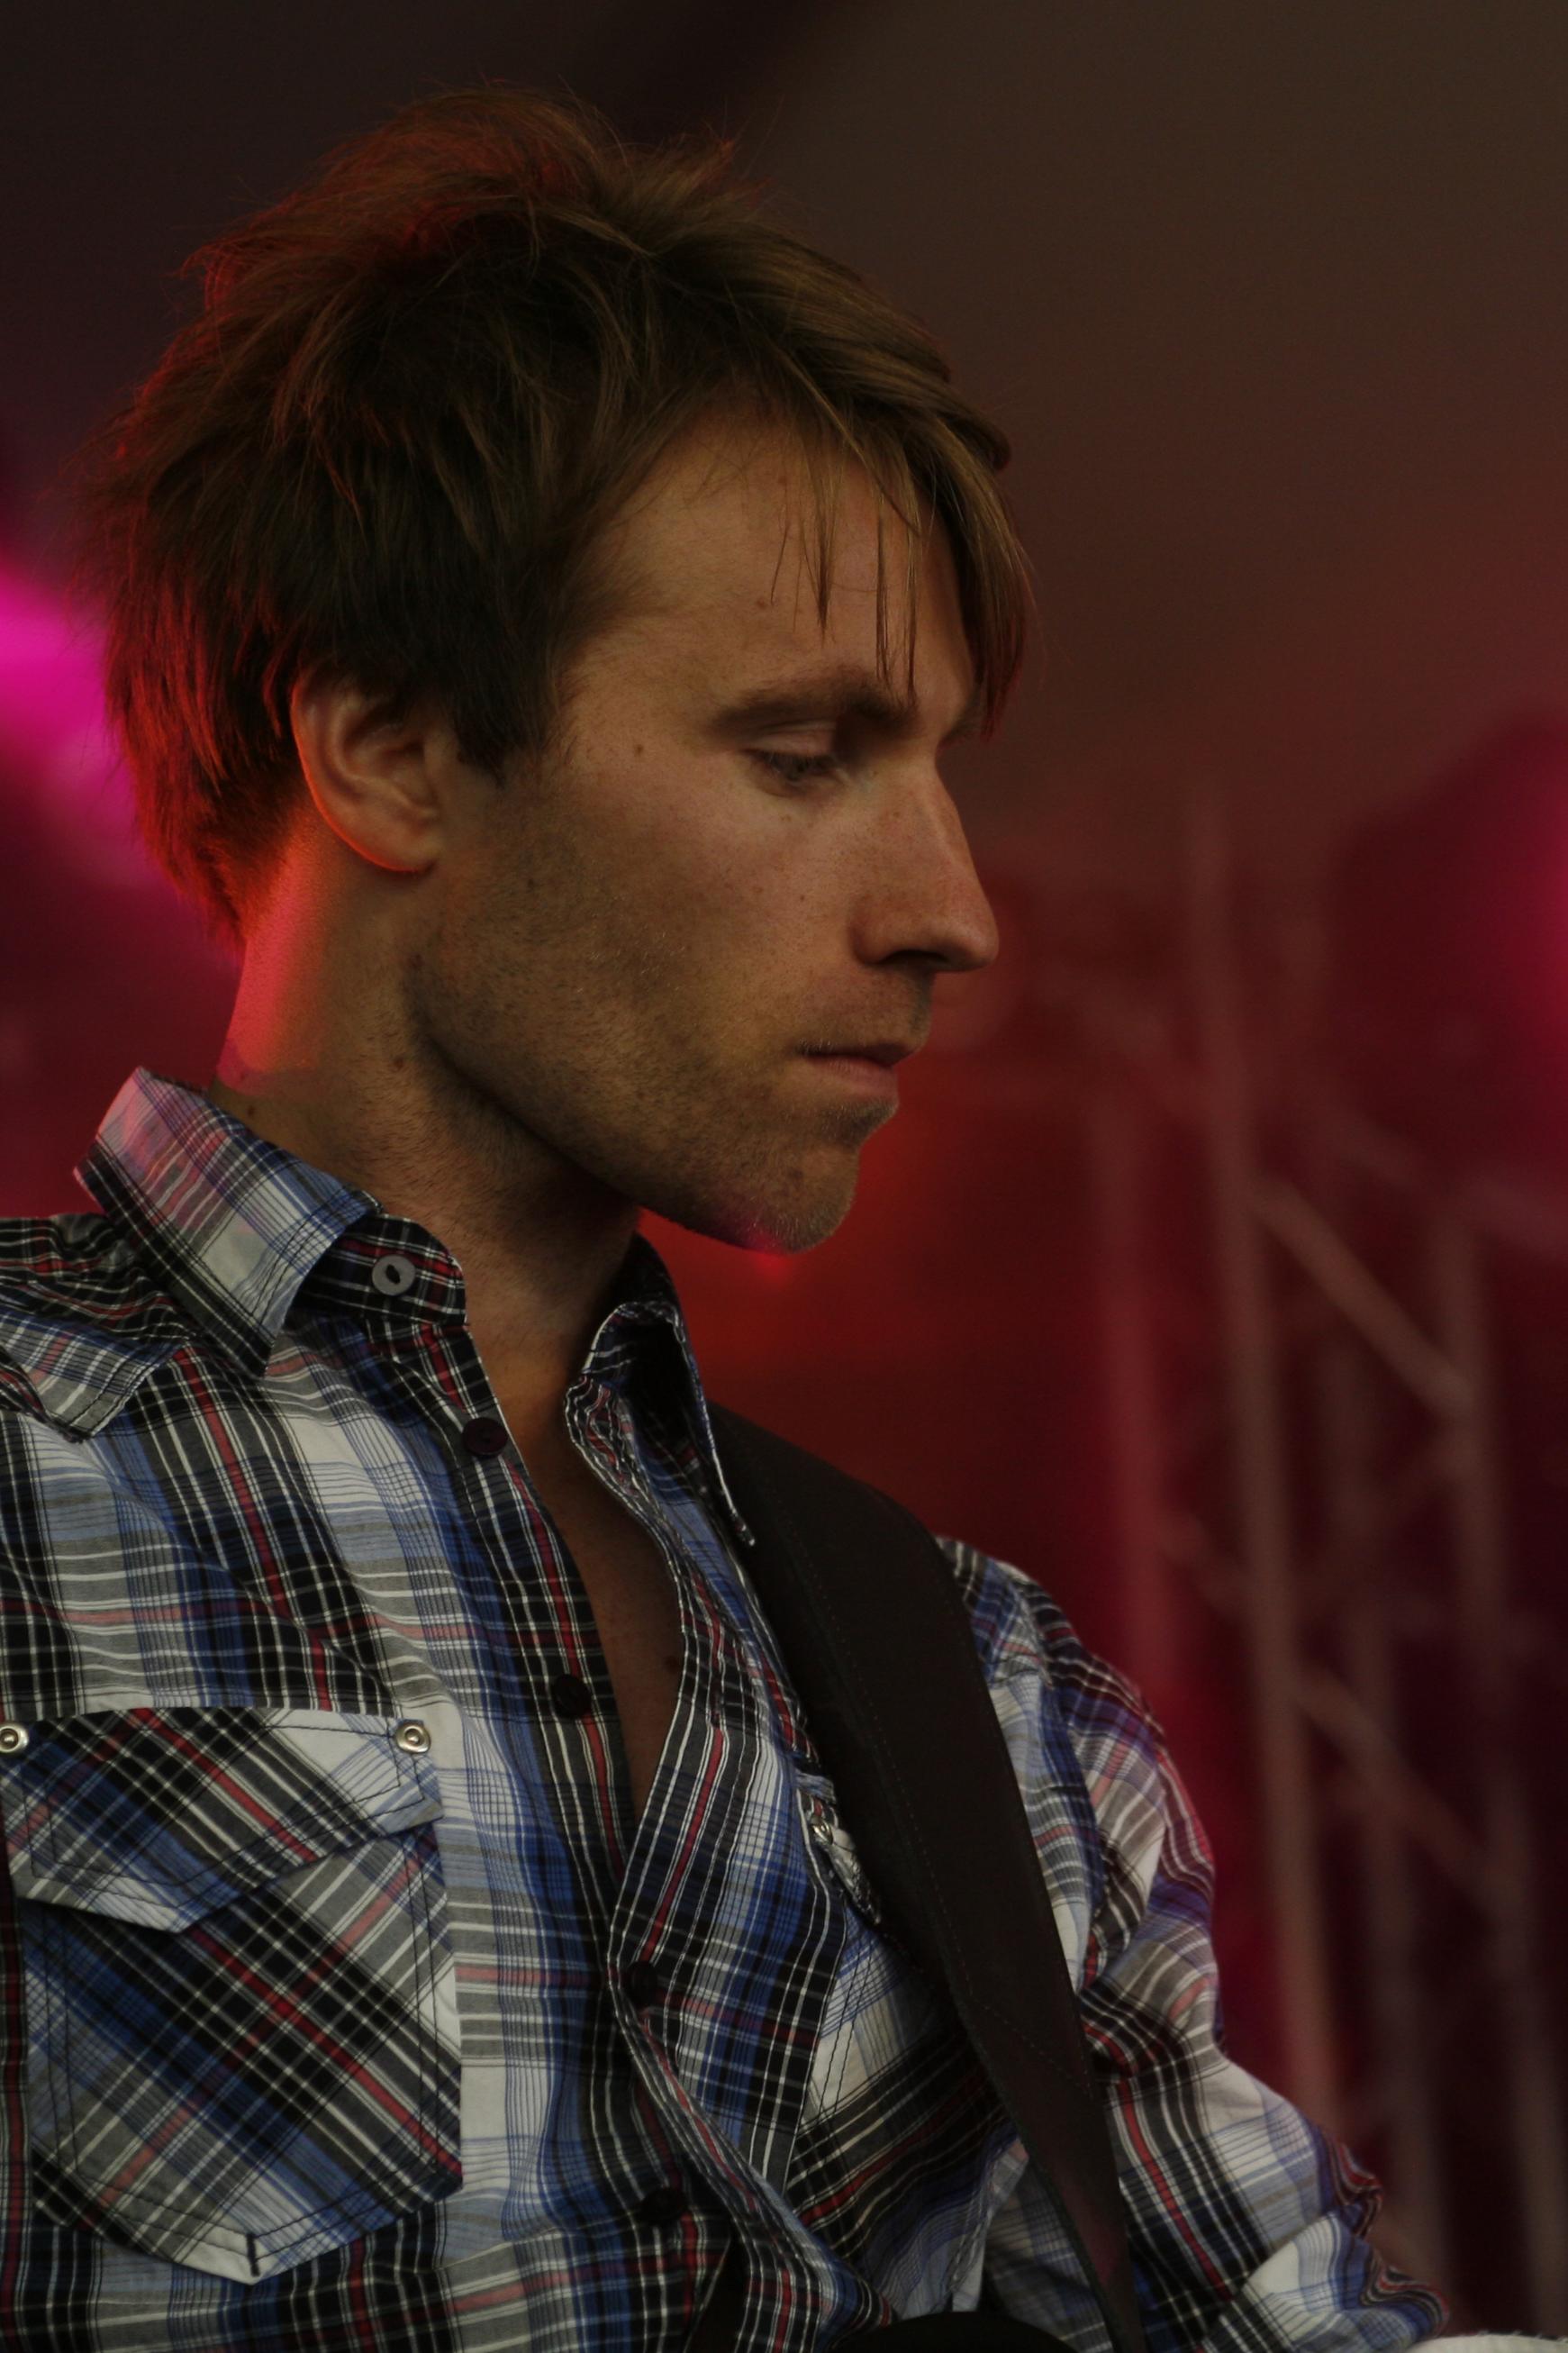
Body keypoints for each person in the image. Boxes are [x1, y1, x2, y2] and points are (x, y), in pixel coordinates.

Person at [0, 89, 1446, 2353]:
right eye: (802, 753)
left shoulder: (977, 1681)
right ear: (386, 745)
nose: (954, 907)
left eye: (941, 767)